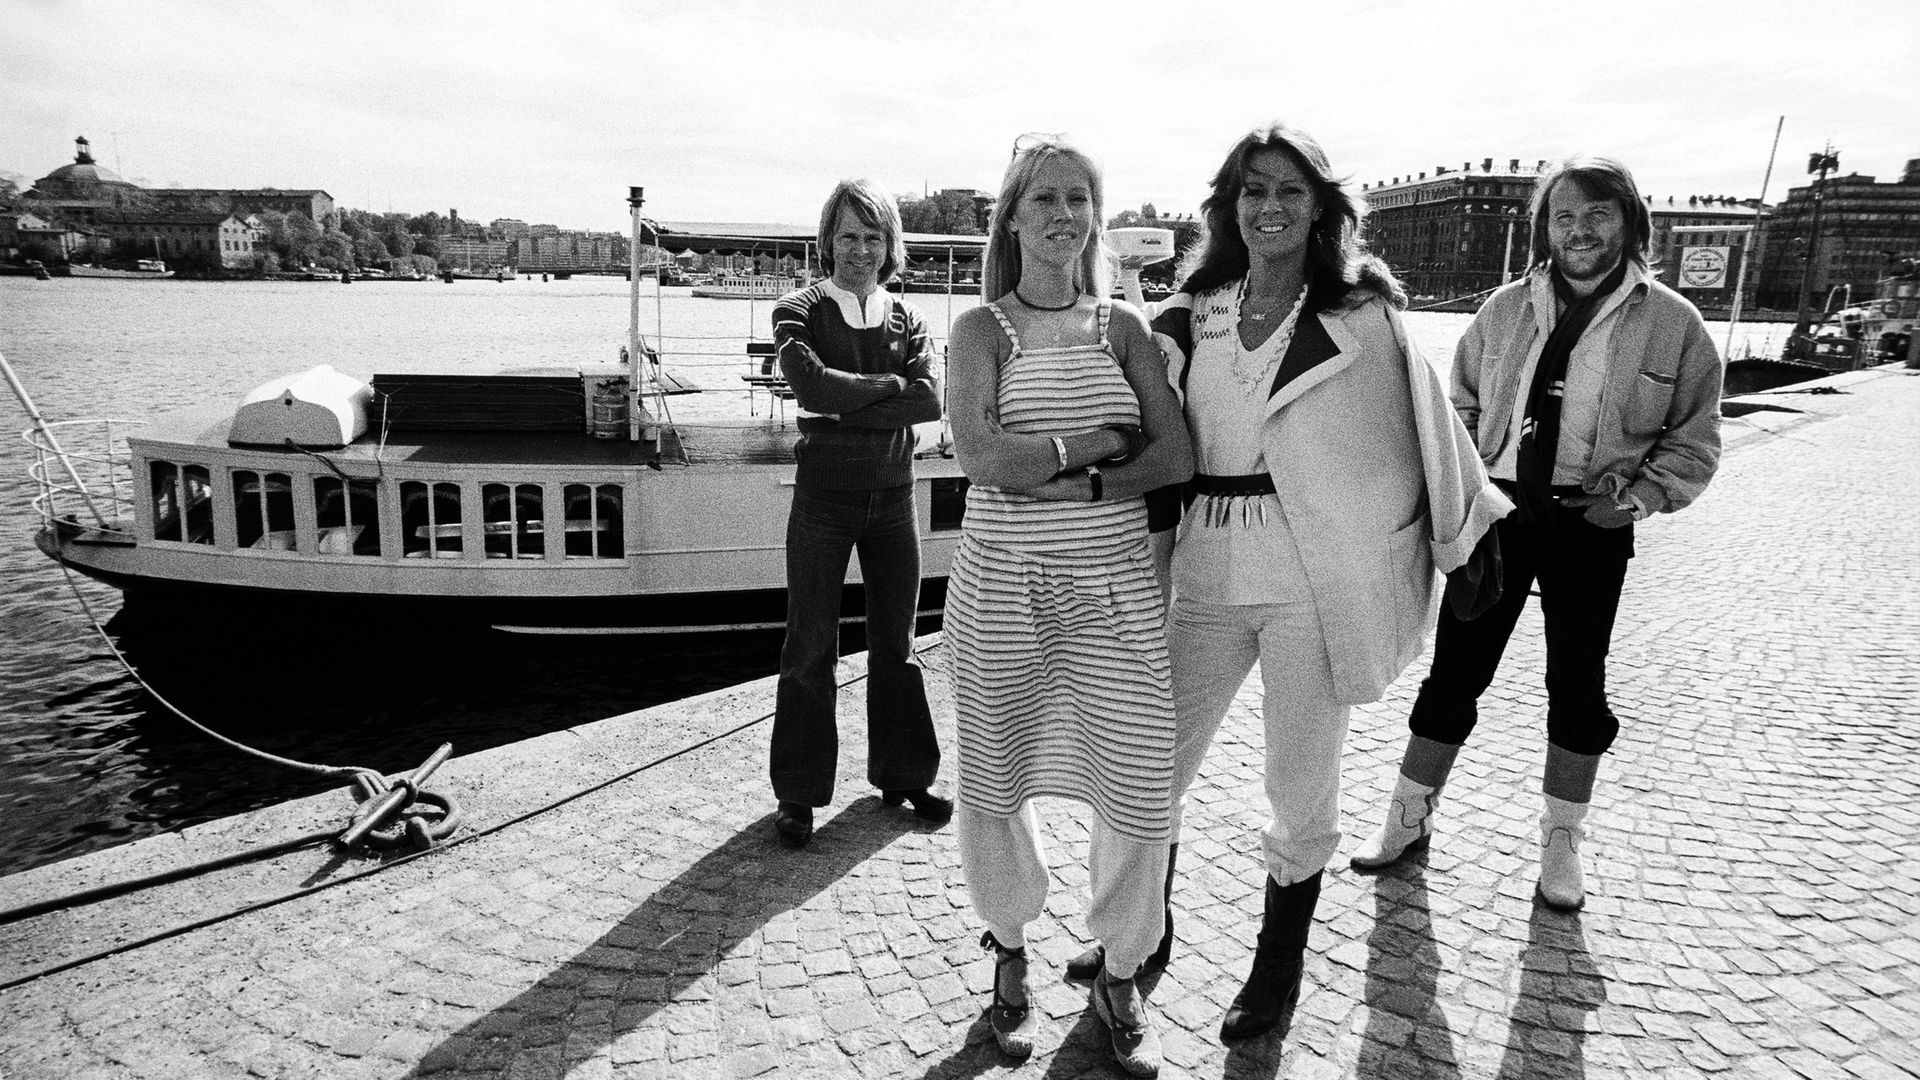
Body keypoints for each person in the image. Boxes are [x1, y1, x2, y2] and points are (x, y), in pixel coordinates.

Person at [1067, 122, 1509, 1044]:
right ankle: (1139, 937)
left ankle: (1277, 971)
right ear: (1228, 207)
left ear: (1320, 209)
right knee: (1152, 767)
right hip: (1204, 572)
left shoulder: (1363, 316)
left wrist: (1468, 532)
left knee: (1299, 781)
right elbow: (1139, 425)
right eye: (1252, 191)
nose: (1269, 208)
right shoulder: (1192, 310)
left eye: (1290, 192)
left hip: (1314, 577)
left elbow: (1429, 431)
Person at [1350, 155, 1723, 912]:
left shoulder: (1674, 325)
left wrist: (1641, 500)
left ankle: (1562, 842)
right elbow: (1456, 407)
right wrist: (1463, 493)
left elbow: (1695, 438)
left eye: (1597, 215)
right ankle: (1408, 816)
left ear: (1629, 223)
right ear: (1544, 228)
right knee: (1455, 674)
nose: (1580, 231)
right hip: (1500, 510)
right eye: (1565, 216)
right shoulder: (1504, 310)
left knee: (1578, 686)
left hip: (1592, 520)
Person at [944, 133, 1193, 1077]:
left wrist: (1078, 487)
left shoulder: (1120, 328)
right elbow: (984, 459)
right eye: (1043, 198)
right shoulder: (981, 330)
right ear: (1012, 217)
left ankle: (1121, 970)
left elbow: (1171, 458)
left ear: (1097, 215)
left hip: (1114, 591)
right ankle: (1008, 952)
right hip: (1002, 591)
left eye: (1079, 199)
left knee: (1137, 783)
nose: (1063, 215)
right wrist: (1092, 440)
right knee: (996, 779)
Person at [767, 179, 950, 850]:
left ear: (890, 246)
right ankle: (799, 792)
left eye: (874, 237)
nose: (861, 250)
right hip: (823, 502)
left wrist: (853, 403)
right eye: (848, 235)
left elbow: (930, 403)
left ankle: (903, 774)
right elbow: (811, 386)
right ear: (828, 241)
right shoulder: (796, 309)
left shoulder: (911, 319)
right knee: (809, 648)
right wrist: (891, 385)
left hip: (893, 500)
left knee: (896, 645)